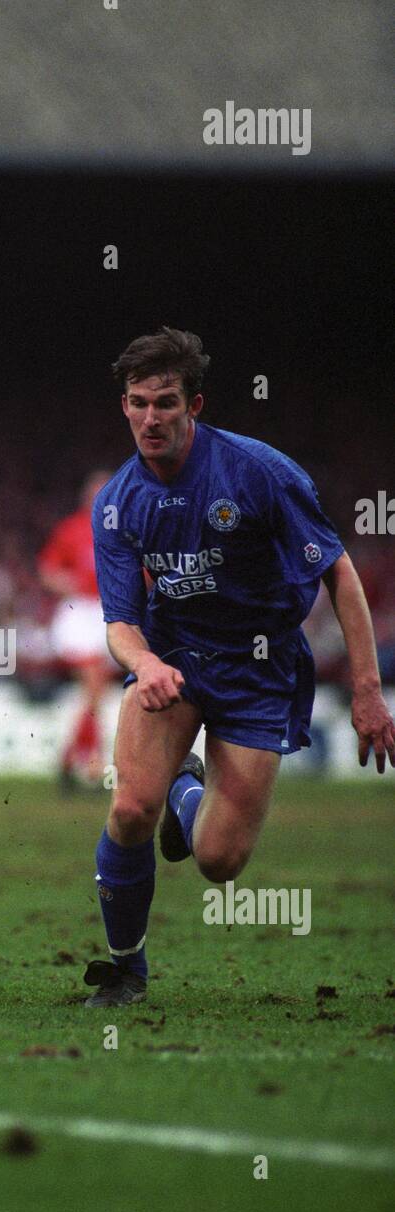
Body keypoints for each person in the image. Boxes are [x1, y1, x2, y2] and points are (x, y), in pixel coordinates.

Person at [85, 326, 395, 1007]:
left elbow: (338, 572)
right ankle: (124, 969)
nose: (150, 417)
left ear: (195, 405)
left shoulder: (259, 474)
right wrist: (146, 664)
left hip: (259, 666)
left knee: (220, 861)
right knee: (131, 805)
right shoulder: (116, 503)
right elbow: (119, 623)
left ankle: (186, 788)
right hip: (174, 659)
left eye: (165, 402)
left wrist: (369, 692)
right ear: (124, 406)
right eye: (137, 402)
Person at [38, 471, 120, 789]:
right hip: (78, 613)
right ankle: (87, 762)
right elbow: (48, 570)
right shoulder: (71, 528)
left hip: (106, 611)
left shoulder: (120, 527)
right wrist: (68, 583)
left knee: (94, 692)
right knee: (95, 686)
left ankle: (73, 761)